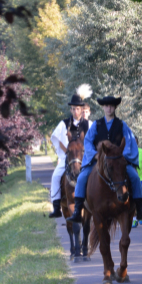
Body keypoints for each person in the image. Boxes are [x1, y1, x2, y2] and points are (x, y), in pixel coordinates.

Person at [67, 95, 142, 223]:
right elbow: (88, 141)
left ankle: (140, 210)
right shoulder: (96, 124)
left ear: (115, 107)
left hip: (118, 161)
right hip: (99, 160)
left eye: (111, 106)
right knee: (83, 177)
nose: (109, 108)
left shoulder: (122, 125)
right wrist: (94, 154)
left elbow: (130, 142)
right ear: (103, 108)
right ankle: (78, 210)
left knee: (134, 176)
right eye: (106, 106)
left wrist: (124, 155)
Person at [48, 85, 92, 218]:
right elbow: (57, 138)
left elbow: (92, 141)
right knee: (56, 176)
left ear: (81, 109)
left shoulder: (89, 124)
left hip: (85, 159)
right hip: (69, 158)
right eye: (73, 109)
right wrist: (67, 152)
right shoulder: (64, 123)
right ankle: (56, 207)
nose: (75, 111)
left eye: (77, 109)